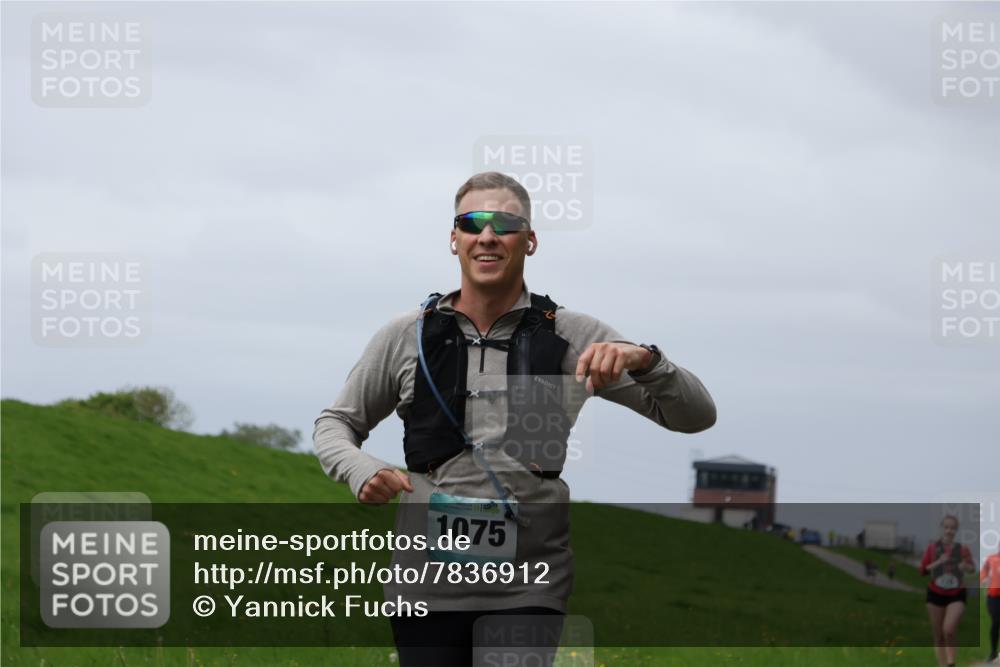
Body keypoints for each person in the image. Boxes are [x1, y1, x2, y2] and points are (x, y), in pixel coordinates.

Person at [313, 171, 717, 666]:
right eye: (471, 222)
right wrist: (361, 470)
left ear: (530, 241)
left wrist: (649, 361)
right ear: (454, 239)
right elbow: (334, 424)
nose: (486, 235)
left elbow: (696, 417)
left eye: (504, 223)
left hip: (529, 588)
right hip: (424, 588)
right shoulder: (406, 336)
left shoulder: (574, 334)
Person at [919, 515, 977, 667]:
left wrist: (966, 566)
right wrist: (939, 561)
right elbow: (923, 570)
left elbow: (972, 568)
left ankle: (951, 662)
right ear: (942, 528)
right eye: (946, 527)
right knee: (938, 636)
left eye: (952, 528)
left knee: (949, 629)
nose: (949, 530)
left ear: (956, 530)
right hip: (935, 594)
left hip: (956, 594)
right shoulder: (932, 548)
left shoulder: (963, 549)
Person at [981, 545, 1000, 663]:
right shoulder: (991, 559)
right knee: (996, 621)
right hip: (994, 596)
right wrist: (983, 579)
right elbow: (984, 571)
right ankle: (993, 652)